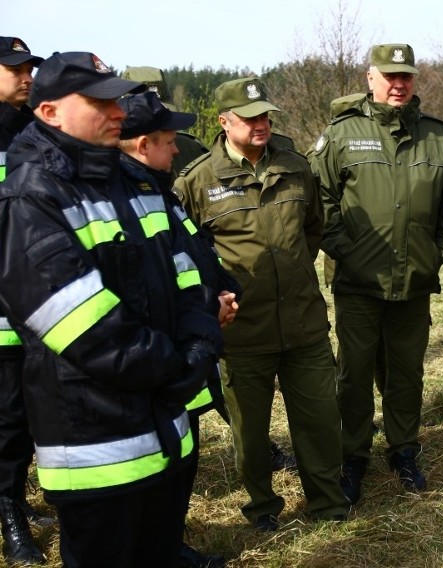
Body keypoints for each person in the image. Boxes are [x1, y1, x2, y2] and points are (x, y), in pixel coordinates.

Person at [0, 51, 223, 566]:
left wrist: (199, 343)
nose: (118, 111)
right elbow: (78, 323)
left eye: (117, 98)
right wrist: (180, 367)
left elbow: (187, 272)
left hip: (165, 429)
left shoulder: (137, 184)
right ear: (50, 112)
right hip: (97, 448)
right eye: (99, 101)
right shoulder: (31, 195)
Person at [174, 77, 349, 530]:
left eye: (265, 116)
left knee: (320, 421)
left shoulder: (295, 166)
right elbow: (186, 251)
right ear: (224, 121)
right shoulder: (198, 181)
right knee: (250, 433)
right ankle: (262, 508)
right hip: (242, 332)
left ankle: (328, 503)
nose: (261, 124)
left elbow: (313, 228)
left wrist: (286, 274)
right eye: (250, 118)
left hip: (304, 322)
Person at [121, 65, 298, 474]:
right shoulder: (109, 177)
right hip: (151, 326)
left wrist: (213, 289)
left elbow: (193, 240)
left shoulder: (179, 149)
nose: (173, 147)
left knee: (201, 396)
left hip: (196, 311)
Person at [310, 44, 443, 505]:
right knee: (354, 373)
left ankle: (404, 449)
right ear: (370, 78)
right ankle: (353, 455)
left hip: (414, 281)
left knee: (406, 372)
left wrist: (439, 250)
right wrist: (347, 251)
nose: (398, 85)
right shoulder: (341, 136)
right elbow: (321, 203)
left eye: (406, 77)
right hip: (358, 282)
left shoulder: (439, 139)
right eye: (389, 76)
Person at [118, 91, 231, 568]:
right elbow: (147, 282)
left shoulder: (157, 189)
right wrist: (207, 307)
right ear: (143, 145)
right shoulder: (126, 196)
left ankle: (170, 546)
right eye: (168, 142)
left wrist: (221, 288)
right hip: (160, 354)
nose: (178, 150)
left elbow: (192, 253)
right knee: (158, 467)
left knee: (182, 457)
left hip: (187, 342)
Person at [0, 34, 52, 567]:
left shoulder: (34, 131)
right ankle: (11, 515)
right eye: (13, 67)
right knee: (9, 419)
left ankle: (20, 497)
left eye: (28, 67)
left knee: (37, 412)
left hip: (40, 302)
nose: (25, 75)